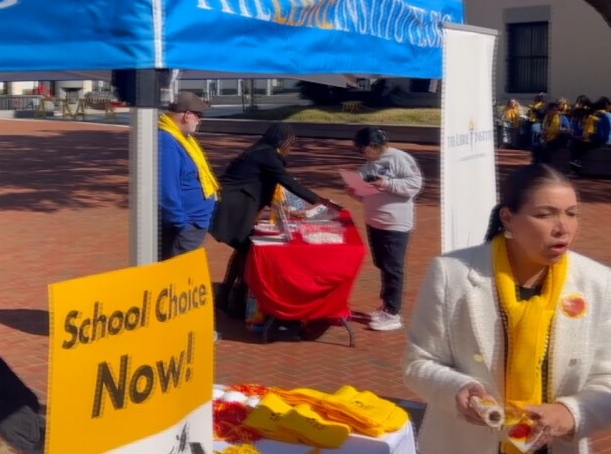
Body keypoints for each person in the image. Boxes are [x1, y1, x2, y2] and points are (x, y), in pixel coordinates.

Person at [403, 164, 611, 454]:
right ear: (508, 218)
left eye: (571, 213)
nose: (562, 227)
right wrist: (458, 389)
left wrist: (571, 413)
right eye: (545, 214)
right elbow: (419, 363)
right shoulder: (453, 273)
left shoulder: (596, 281)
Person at [210, 122, 339, 317]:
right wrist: (322, 201)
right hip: (234, 206)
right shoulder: (267, 155)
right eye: (291, 143)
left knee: (244, 247)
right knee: (246, 247)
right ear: (281, 140)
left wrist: (287, 209)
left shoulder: (261, 150)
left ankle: (232, 295)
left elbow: (268, 185)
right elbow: (285, 180)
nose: (291, 147)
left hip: (237, 203)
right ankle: (234, 297)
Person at [346, 127, 423, 332]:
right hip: (374, 221)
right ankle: (386, 305)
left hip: (394, 223)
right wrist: (355, 191)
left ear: (373, 146)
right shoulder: (368, 165)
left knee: (393, 267)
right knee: (382, 264)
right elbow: (364, 194)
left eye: (362, 150)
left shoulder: (399, 158)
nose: (362, 154)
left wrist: (386, 183)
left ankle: (393, 313)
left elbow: (414, 184)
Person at [158, 91, 218, 260]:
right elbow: (166, 189)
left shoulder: (183, 139)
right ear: (187, 115)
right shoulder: (167, 143)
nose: (200, 121)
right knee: (175, 277)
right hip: (186, 227)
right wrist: (181, 223)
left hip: (194, 222)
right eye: (199, 116)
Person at [569, 97, 611, 174]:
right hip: (607, 139)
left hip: (602, 140)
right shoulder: (609, 115)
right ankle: (575, 162)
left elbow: (599, 133)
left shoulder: (599, 116)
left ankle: (574, 167)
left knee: (575, 144)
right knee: (575, 143)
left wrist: (588, 137)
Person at [530, 102, 571, 166]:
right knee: (536, 146)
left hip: (558, 138)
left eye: (556, 110)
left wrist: (559, 130)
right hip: (548, 138)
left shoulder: (562, 118)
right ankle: (536, 164)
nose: (555, 111)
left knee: (545, 148)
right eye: (553, 110)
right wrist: (543, 136)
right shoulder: (546, 118)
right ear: (549, 111)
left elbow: (568, 130)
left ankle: (545, 166)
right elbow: (544, 129)